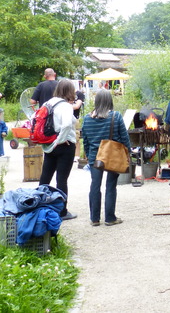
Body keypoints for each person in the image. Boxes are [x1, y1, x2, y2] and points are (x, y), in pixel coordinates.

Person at [82, 89, 130, 226]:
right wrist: (128, 154)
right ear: (110, 101)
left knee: (95, 186)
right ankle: (110, 218)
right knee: (111, 186)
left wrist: (89, 155)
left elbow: (85, 140)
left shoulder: (87, 118)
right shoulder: (116, 116)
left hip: (94, 158)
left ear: (96, 102)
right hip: (112, 156)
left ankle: (95, 219)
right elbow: (124, 138)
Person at [38, 79, 78, 220]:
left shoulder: (48, 103)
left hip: (49, 145)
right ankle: (62, 211)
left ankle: (38, 205)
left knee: (45, 177)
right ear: (69, 91)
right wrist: (60, 140)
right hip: (64, 146)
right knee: (61, 180)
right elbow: (67, 125)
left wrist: (52, 142)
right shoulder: (66, 106)